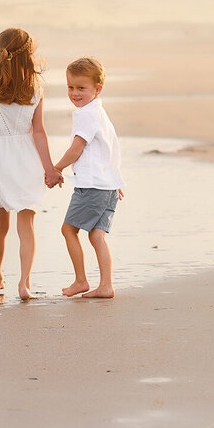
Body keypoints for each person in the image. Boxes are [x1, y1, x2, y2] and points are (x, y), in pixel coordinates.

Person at [0, 28, 62, 300]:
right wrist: (49, 168)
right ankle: (24, 283)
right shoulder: (35, 92)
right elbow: (39, 132)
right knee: (27, 222)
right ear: (29, 57)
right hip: (26, 158)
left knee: (0, 220)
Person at [52, 56, 124, 298]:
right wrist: (116, 181)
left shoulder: (86, 115)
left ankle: (81, 280)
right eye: (70, 87)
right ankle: (106, 286)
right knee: (96, 235)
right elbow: (110, 150)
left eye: (81, 88)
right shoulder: (99, 113)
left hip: (92, 187)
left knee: (68, 230)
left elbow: (76, 148)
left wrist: (57, 168)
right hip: (107, 186)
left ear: (97, 89)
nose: (74, 93)